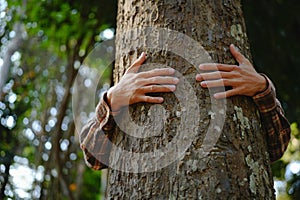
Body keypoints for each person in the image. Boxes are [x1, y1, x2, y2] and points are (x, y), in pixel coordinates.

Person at [80, 44, 291, 170]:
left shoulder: (246, 79)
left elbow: (276, 148)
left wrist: (263, 89)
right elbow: (93, 158)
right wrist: (111, 100)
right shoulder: (122, 92)